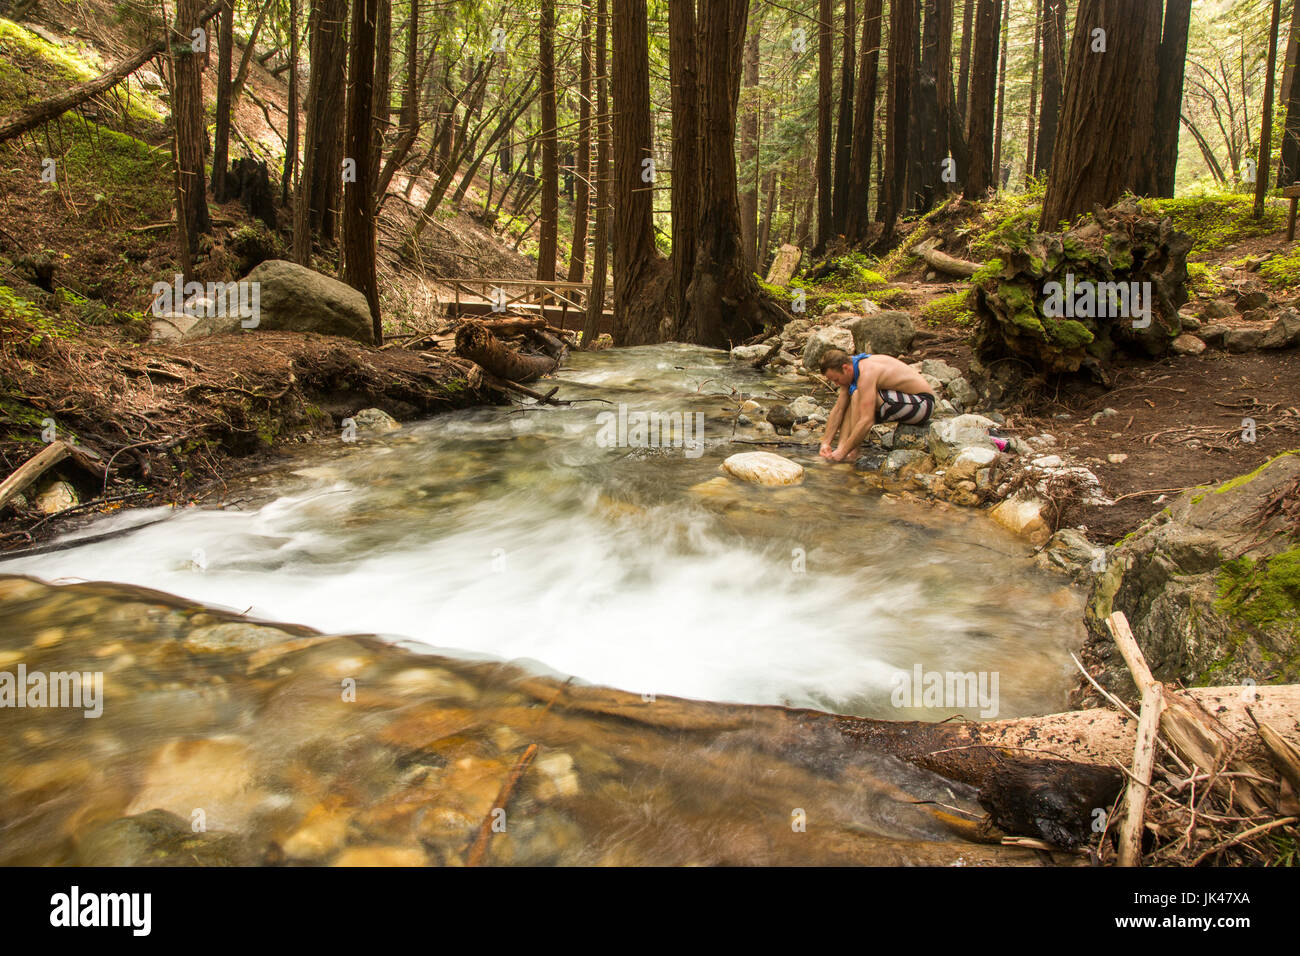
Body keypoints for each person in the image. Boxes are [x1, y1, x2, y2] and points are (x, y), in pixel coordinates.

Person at [817, 349, 936, 462]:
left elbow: (867, 420)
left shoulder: (866, 372)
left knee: (858, 395)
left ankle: (851, 452)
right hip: (905, 401)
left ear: (845, 368)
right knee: (852, 396)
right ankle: (842, 448)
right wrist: (825, 443)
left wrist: (843, 452)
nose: (836, 384)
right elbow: (839, 409)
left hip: (923, 405)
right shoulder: (851, 369)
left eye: (836, 379)